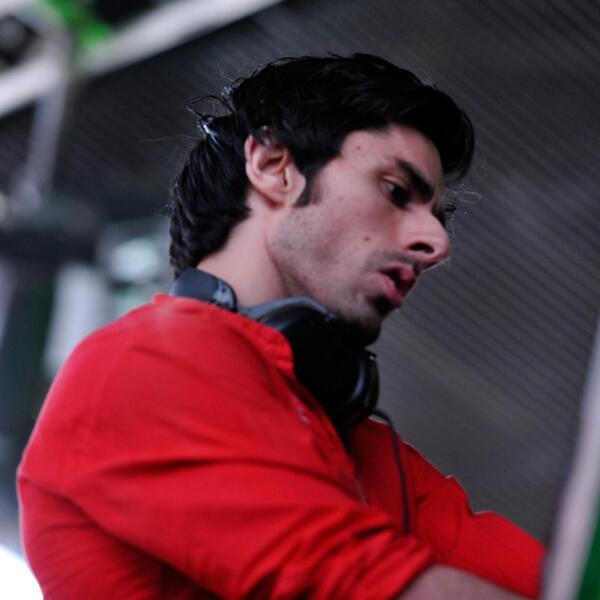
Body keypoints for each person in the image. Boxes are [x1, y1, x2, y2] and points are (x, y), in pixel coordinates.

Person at [18, 54, 544, 599]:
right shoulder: (139, 364)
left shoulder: (368, 450)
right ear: (274, 168)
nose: (436, 244)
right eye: (394, 191)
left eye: (436, 217)